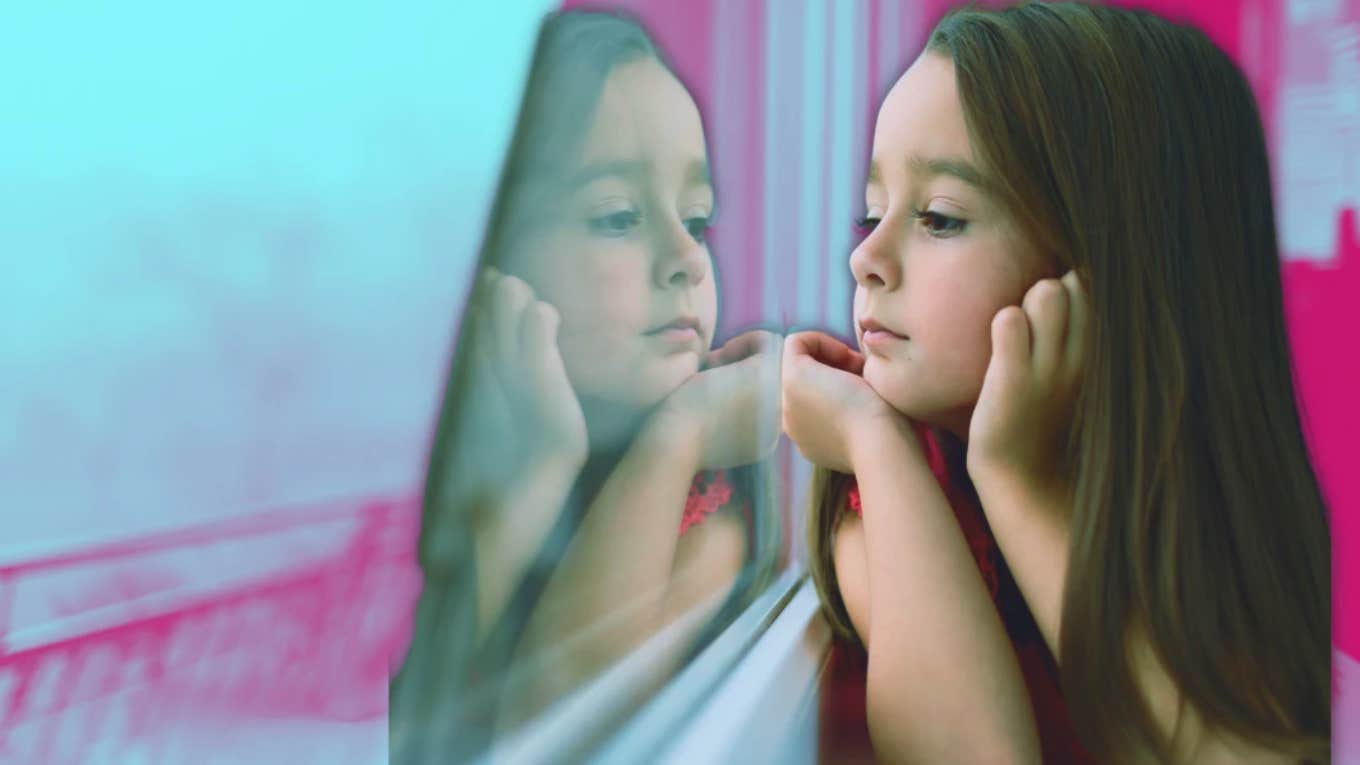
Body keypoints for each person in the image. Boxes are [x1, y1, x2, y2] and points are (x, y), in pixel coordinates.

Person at [783, 3, 1331, 763]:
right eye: (869, 212)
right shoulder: (896, 481)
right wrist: (872, 438)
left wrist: (1017, 477)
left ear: (1109, 272)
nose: (866, 256)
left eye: (939, 217)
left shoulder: (1207, 514)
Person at [389, 11, 782, 763]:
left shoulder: (714, 484)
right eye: (617, 216)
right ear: (486, 253)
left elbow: (568, 720)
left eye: (697, 220)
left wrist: (683, 429)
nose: (685, 259)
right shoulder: (415, 484)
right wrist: (537, 476)